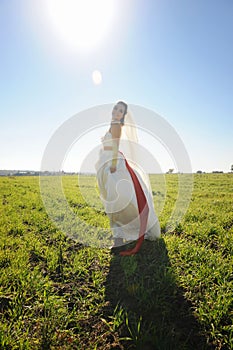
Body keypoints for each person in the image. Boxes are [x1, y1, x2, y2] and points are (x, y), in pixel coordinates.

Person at [95, 101, 160, 256]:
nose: (117, 112)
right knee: (112, 201)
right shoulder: (112, 124)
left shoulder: (116, 125)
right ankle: (120, 235)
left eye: (121, 111)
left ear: (123, 115)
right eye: (116, 108)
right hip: (107, 163)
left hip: (114, 165)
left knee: (116, 200)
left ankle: (119, 239)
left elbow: (116, 146)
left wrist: (113, 165)